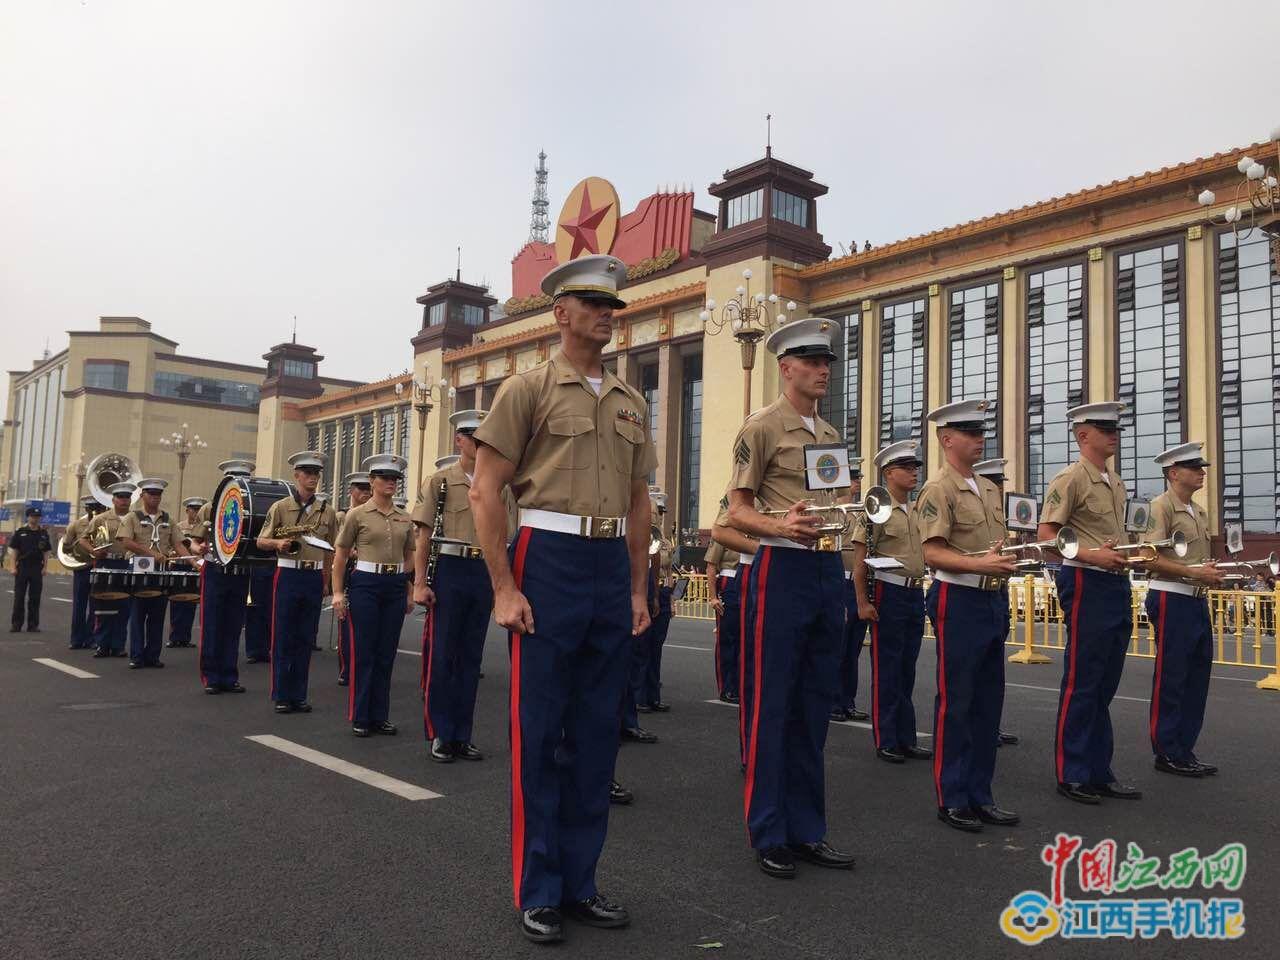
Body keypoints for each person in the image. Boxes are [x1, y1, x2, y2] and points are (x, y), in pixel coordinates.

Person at [470, 253, 654, 943]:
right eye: (593, 303)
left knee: (597, 736)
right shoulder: (527, 389)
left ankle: (582, 882)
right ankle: (538, 887)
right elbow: (487, 489)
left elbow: (639, 501)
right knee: (541, 732)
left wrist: (638, 588)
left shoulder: (632, 401)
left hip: (609, 563)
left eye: (614, 305)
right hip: (546, 558)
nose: (607, 313)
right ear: (561, 313)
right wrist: (504, 586)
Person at [723, 316, 855, 879]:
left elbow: (839, 501)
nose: (824, 369)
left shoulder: (828, 435)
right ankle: (769, 830)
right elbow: (737, 510)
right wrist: (782, 526)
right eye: (813, 361)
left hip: (826, 569)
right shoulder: (761, 428)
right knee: (772, 704)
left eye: (827, 361)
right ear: (786, 368)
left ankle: (808, 830)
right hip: (780, 569)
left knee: (813, 707)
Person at [916, 401, 1020, 833]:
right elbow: (932, 551)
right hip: (958, 598)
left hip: (990, 600)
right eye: (969, 432)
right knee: (957, 701)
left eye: (981, 431)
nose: (980, 438)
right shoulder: (938, 490)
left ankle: (981, 794)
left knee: (988, 701)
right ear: (947, 439)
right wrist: (981, 567)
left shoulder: (989, 489)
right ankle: (953, 795)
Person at [1039, 402, 1143, 805]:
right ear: (1083, 435)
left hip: (1114, 583)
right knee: (1083, 681)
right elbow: (1048, 534)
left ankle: (1100, 769)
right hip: (1086, 581)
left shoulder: (1114, 482)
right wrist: (1090, 555)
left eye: (1114, 427)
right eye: (1104, 427)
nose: (1113, 433)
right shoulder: (1070, 479)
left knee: (1105, 682)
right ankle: (1074, 771)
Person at [413, 412, 513, 763]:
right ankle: (440, 732)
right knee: (443, 655)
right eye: (474, 437)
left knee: (471, 658)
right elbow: (423, 536)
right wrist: (420, 583)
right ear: (460, 440)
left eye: (485, 437)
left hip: (482, 571)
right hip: (451, 569)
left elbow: (507, 535)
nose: (481, 443)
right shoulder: (441, 482)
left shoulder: (499, 486)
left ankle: (462, 734)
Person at [1141, 442, 1223, 777]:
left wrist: (1207, 572)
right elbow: (1149, 556)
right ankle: (1166, 750)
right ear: (1174, 473)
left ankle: (1184, 748)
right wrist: (1192, 571)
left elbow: (1193, 561)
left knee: (1196, 676)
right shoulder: (1160, 507)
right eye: (1194, 468)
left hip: (1195, 597)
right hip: (1171, 595)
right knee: (1172, 676)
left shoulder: (1198, 512)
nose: (1202, 473)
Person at [850, 440, 931, 764]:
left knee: (907, 668)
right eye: (907, 468)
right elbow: (860, 563)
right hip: (888, 591)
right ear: (888, 473)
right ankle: (886, 737)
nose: (913, 474)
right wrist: (861, 602)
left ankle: (906, 737)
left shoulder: (919, 510)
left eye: (915, 468)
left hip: (913, 592)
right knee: (888, 668)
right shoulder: (875, 511)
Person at [332, 453, 414, 738]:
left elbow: (409, 554)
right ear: (372, 480)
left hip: (394, 585)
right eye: (385, 478)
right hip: (366, 583)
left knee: (386, 653)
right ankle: (361, 714)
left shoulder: (405, 516)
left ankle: (380, 715)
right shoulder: (357, 514)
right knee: (365, 652)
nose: (391, 483)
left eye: (394, 479)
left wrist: (408, 588)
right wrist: (338, 592)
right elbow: (341, 556)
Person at [257, 450, 338, 715]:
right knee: (283, 636)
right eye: (308, 473)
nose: (312, 478)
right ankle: (282, 693)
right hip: (288, 574)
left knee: (306, 637)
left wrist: (326, 579)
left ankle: (299, 695)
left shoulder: (327, 510)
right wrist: (278, 543)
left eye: (316, 474)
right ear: (297, 476)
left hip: (313, 576)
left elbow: (330, 549)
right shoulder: (280, 507)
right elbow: (260, 540)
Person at [195, 459, 255, 694]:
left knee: (233, 625)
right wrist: (198, 548)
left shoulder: (252, 509)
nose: (240, 485)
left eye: (244, 480)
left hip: (240, 573)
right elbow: (195, 541)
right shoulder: (210, 507)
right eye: (235, 479)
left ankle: (229, 676)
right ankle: (211, 676)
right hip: (215, 571)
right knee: (212, 624)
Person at [972, 458, 1020, 749]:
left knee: (992, 670)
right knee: (973, 669)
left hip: (997, 591)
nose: (999, 489)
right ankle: (976, 727)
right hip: (973, 590)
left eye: (1001, 485)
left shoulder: (998, 514)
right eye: (995, 484)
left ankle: (990, 725)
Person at [117, 478, 191, 669]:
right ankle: (137, 655)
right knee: (137, 614)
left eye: (158, 495)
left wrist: (192, 561)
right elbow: (126, 541)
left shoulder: (168, 519)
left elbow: (178, 544)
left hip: (161, 569)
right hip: (139, 568)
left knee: (158, 615)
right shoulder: (132, 517)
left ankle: (153, 656)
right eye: (151, 494)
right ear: (142, 495)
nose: (155, 498)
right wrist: (152, 553)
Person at [81, 483, 136, 657]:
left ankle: (118, 645)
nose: (124, 501)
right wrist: (93, 551)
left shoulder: (136, 518)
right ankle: (102, 644)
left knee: (124, 606)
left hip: (127, 564)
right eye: (120, 497)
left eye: (127, 497)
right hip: (107, 564)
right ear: (113, 499)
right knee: (104, 605)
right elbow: (83, 539)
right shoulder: (101, 518)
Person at [834, 463, 870, 722]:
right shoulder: (834, 513)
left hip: (857, 583)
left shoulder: (860, 513)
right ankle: (832, 701)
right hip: (839, 583)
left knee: (853, 649)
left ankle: (848, 700)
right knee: (837, 647)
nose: (857, 483)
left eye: (858, 478)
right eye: (852, 478)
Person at [636, 489, 674, 713]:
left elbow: (666, 568)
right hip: (644, 588)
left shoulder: (662, 539)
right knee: (641, 648)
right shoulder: (641, 532)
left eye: (660, 511)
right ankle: (639, 697)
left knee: (655, 648)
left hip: (658, 590)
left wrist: (666, 595)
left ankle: (652, 695)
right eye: (655, 511)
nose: (658, 515)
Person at [334, 471, 372, 686]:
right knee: (346, 624)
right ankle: (346, 669)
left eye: (368, 489)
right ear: (352, 491)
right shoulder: (343, 515)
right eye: (361, 489)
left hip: (367, 570)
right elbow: (337, 546)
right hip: (350, 569)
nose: (366, 493)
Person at [64, 496, 103, 648]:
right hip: (82, 569)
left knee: (96, 606)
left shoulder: (104, 522)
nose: (94, 512)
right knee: (79, 606)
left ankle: (91, 638)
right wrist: (79, 546)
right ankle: (76, 639)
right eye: (91, 508)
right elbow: (66, 547)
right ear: (86, 509)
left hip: (98, 567)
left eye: (97, 508)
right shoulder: (76, 525)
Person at [166, 497, 206, 648]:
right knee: (177, 601)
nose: (195, 512)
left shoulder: (203, 528)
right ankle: (174, 636)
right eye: (193, 509)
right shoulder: (179, 527)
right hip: (180, 565)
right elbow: (172, 545)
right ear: (187, 510)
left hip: (196, 566)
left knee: (191, 602)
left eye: (198, 509)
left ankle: (185, 638)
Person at [10, 506, 52, 632]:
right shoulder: (20, 532)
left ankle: (33, 625)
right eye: (33, 516)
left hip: (36, 568)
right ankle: (16, 624)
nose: (35, 518)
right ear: (28, 517)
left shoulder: (43, 534)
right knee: (19, 597)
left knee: (35, 597)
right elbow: (15, 551)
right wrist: (13, 567)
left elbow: (46, 553)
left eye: (37, 517)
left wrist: (45, 567)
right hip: (22, 566)